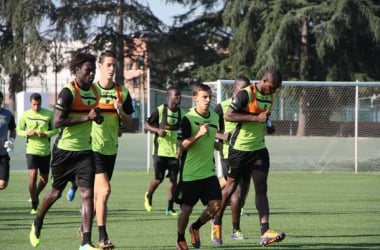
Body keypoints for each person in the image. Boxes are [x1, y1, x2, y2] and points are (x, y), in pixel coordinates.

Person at [29, 52, 102, 250]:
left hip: (85, 151)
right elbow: (58, 121)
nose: (91, 74)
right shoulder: (68, 92)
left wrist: (97, 117)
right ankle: (38, 221)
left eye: (94, 70)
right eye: (88, 70)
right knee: (54, 193)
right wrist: (86, 118)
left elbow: (94, 115)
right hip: (64, 152)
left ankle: (85, 242)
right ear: (77, 70)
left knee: (87, 194)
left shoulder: (96, 92)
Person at [211, 70, 286, 247]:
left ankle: (265, 232)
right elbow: (229, 115)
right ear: (263, 80)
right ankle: (217, 221)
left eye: (275, 89)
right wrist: (255, 118)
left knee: (261, 189)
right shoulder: (246, 94)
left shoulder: (270, 96)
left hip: (259, 149)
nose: (273, 91)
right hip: (239, 150)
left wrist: (269, 126)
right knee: (230, 188)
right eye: (271, 87)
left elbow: (265, 118)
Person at [89, 50, 134, 249]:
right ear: (99, 66)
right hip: (92, 147)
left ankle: (86, 230)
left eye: (114, 65)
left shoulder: (122, 92)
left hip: (111, 149)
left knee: (99, 195)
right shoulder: (91, 91)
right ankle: (102, 237)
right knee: (105, 191)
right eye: (108, 64)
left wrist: (120, 111)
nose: (111, 68)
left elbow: (129, 121)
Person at [175, 83, 223, 250]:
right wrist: (198, 134)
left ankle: (195, 227)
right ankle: (180, 238)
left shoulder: (215, 117)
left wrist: (217, 146)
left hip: (208, 172)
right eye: (204, 97)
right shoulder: (187, 119)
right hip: (190, 174)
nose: (208, 100)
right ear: (195, 98)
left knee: (216, 204)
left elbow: (213, 139)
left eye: (210, 97)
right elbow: (182, 145)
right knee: (186, 210)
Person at [212, 76, 250, 241]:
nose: (245, 92)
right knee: (236, 191)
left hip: (249, 153)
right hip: (229, 155)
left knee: (239, 195)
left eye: (248, 89)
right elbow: (207, 128)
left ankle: (215, 213)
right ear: (234, 89)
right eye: (242, 88)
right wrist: (221, 135)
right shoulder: (222, 107)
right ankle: (234, 230)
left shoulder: (251, 106)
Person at [144, 86, 183, 216]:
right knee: (158, 179)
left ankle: (170, 208)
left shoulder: (180, 113)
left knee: (173, 180)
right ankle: (149, 195)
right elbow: (146, 125)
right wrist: (157, 130)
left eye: (179, 95)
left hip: (174, 153)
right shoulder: (161, 110)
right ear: (169, 97)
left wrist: (180, 148)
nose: (179, 97)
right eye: (176, 95)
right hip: (159, 152)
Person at [17, 93, 58, 214]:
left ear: (41, 103)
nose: (36, 107)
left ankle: (35, 194)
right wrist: (26, 133)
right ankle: (34, 204)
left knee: (44, 180)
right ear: (30, 103)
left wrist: (46, 134)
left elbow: (56, 129)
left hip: (45, 151)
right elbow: (19, 130)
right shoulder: (25, 115)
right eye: (34, 104)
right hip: (31, 150)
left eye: (38, 104)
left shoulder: (49, 114)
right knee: (32, 175)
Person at [0, 91, 16, 190]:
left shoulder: (7, 114)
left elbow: (13, 130)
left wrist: (11, 140)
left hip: (2, 154)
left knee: (2, 184)